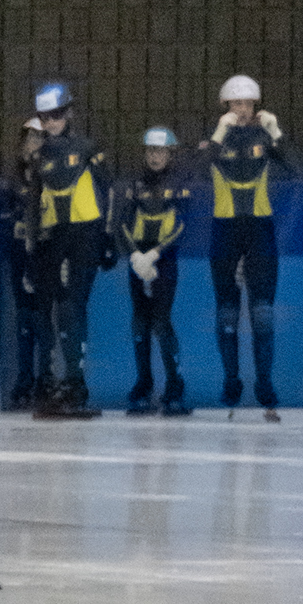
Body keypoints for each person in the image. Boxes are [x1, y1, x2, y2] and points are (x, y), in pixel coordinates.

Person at [22, 78, 111, 416]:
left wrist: (108, 237)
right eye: (44, 117)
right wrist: (32, 247)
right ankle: (67, 382)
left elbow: (109, 189)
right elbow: (32, 204)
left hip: (85, 235)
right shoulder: (37, 156)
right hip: (53, 238)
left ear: (69, 112)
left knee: (72, 307)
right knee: (60, 310)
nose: (51, 122)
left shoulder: (87, 147)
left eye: (56, 114)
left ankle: (74, 383)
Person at [206, 75, 290, 412]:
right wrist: (217, 133)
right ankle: (231, 382)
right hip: (224, 232)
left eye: (248, 104)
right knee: (226, 313)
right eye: (236, 104)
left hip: (259, 232)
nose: (242, 110)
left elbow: (294, 166)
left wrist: (276, 132)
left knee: (263, 315)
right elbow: (193, 169)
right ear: (226, 106)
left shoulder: (265, 138)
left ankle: (265, 384)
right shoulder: (215, 142)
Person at [116, 126, 193, 414]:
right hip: (138, 259)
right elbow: (122, 223)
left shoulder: (180, 183)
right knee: (139, 321)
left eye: (160, 151)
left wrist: (156, 253)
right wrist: (135, 255)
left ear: (170, 153)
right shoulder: (134, 183)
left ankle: (175, 385)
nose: (155, 156)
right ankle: (144, 383)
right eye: (150, 150)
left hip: (165, 259)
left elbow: (183, 225)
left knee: (161, 321)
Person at [4, 113, 46, 407]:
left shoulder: (54, 174)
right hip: (21, 253)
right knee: (24, 315)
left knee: (46, 314)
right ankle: (24, 377)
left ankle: (46, 377)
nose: (33, 144)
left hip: (46, 252)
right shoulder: (15, 178)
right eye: (29, 138)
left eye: (39, 138)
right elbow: (8, 215)